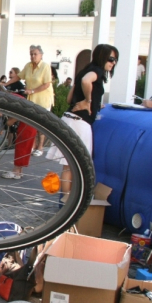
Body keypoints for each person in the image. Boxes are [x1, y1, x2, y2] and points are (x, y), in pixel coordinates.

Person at [47, 44, 119, 199]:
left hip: (69, 119)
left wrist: (92, 103)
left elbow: (68, 98)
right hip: (80, 123)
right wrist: (88, 100)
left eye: (115, 60)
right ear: (102, 57)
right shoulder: (96, 72)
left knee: (68, 166)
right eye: (111, 58)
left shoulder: (84, 71)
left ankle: (65, 201)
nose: (113, 62)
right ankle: (69, 202)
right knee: (77, 165)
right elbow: (87, 82)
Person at [6, 45, 53, 161]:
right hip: (31, 99)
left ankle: (40, 147)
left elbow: (47, 84)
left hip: (42, 99)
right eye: (31, 54)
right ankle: (31, 146)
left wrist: (32, 90)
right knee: (30, 123)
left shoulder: (45, 66)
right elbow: (18, 77)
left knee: (40, 125)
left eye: (35, 54)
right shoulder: (28, 66)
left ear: (41, 55)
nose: (32, 56)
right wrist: (4, 85)